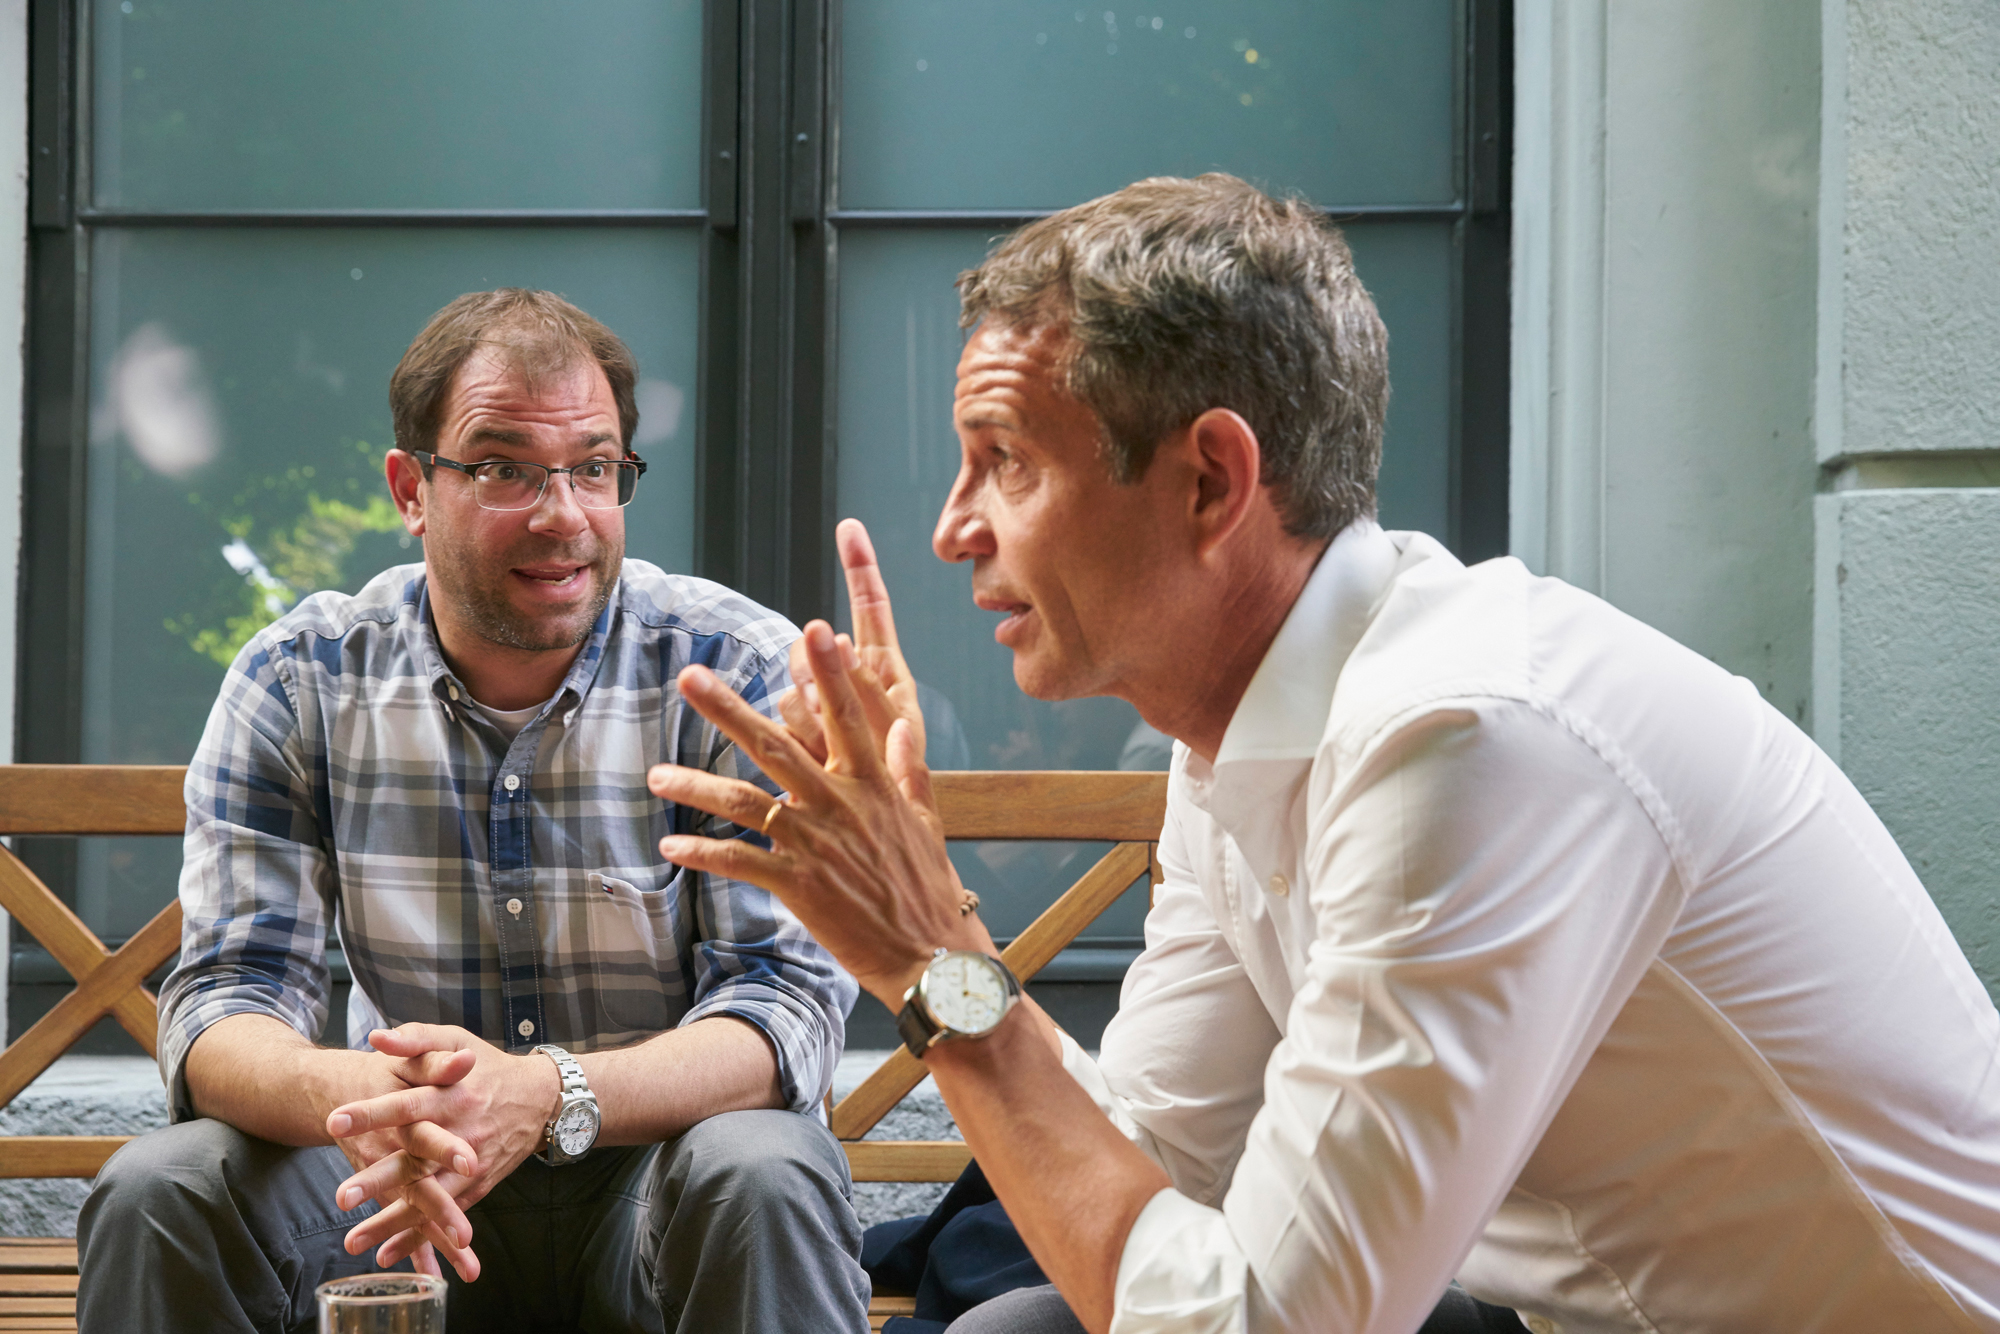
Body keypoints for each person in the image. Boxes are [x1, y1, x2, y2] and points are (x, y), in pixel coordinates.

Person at [646, 176, 2000, 1333]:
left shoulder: (1464, 740)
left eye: (1005, 459)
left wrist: (921, 948)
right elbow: (1151, 1160)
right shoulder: (1241, 732)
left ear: (1212, 481)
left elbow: (1262, 1323)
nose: (952, 526)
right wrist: (930, 945)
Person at [76, 290, 871, 1334]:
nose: (563, 513)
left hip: (655, 1191)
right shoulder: (299, 679)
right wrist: (366, 1099)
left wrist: (544, 1094)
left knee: (763, 1164)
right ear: (411, 488)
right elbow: (224, 1005)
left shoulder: (732, 670)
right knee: (161, 1188)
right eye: (502, 467)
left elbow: (780, 1016)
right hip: (392, 1193)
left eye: (593, 466)